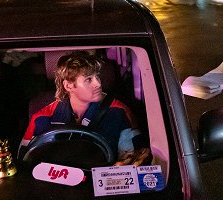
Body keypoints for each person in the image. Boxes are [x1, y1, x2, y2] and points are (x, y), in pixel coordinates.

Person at [19, 51, 147, 164]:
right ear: (68, 86)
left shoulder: (118, 111)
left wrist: (124, 163)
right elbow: (25, 159)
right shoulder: (42, 117)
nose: (98, 83)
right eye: (88, 79)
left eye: (97, 76)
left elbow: (133, 159)